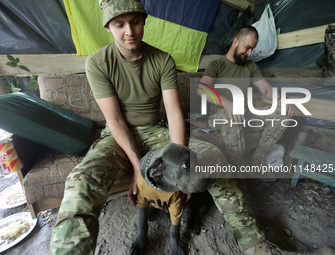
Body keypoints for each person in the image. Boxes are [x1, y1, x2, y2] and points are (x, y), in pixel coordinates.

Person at [48, 0, 225, 254]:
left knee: (212, 158)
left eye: (134, 22)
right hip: (117, 136)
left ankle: (253, 241)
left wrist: (180, 162)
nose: (129, 31)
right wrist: (137, 167)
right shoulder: (97, 63)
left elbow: (174, 112)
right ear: (108, 27)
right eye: (119, 24)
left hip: (156, 130)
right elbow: (116, 120)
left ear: (144, 22)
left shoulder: (163, 60)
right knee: (80, 182)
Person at [198, 25, 294, 171]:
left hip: (245, 113)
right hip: (219, 116)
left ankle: (257, 162)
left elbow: (266, 89)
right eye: (247, 47)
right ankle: (239, 171)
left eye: (252, 49)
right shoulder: (217, 64)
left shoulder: (250, 66)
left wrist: (281, 100)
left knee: (283, 114)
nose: (249, 53)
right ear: (235, 41)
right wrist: (227, 103)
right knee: (231, 116)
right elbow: (202, 89)